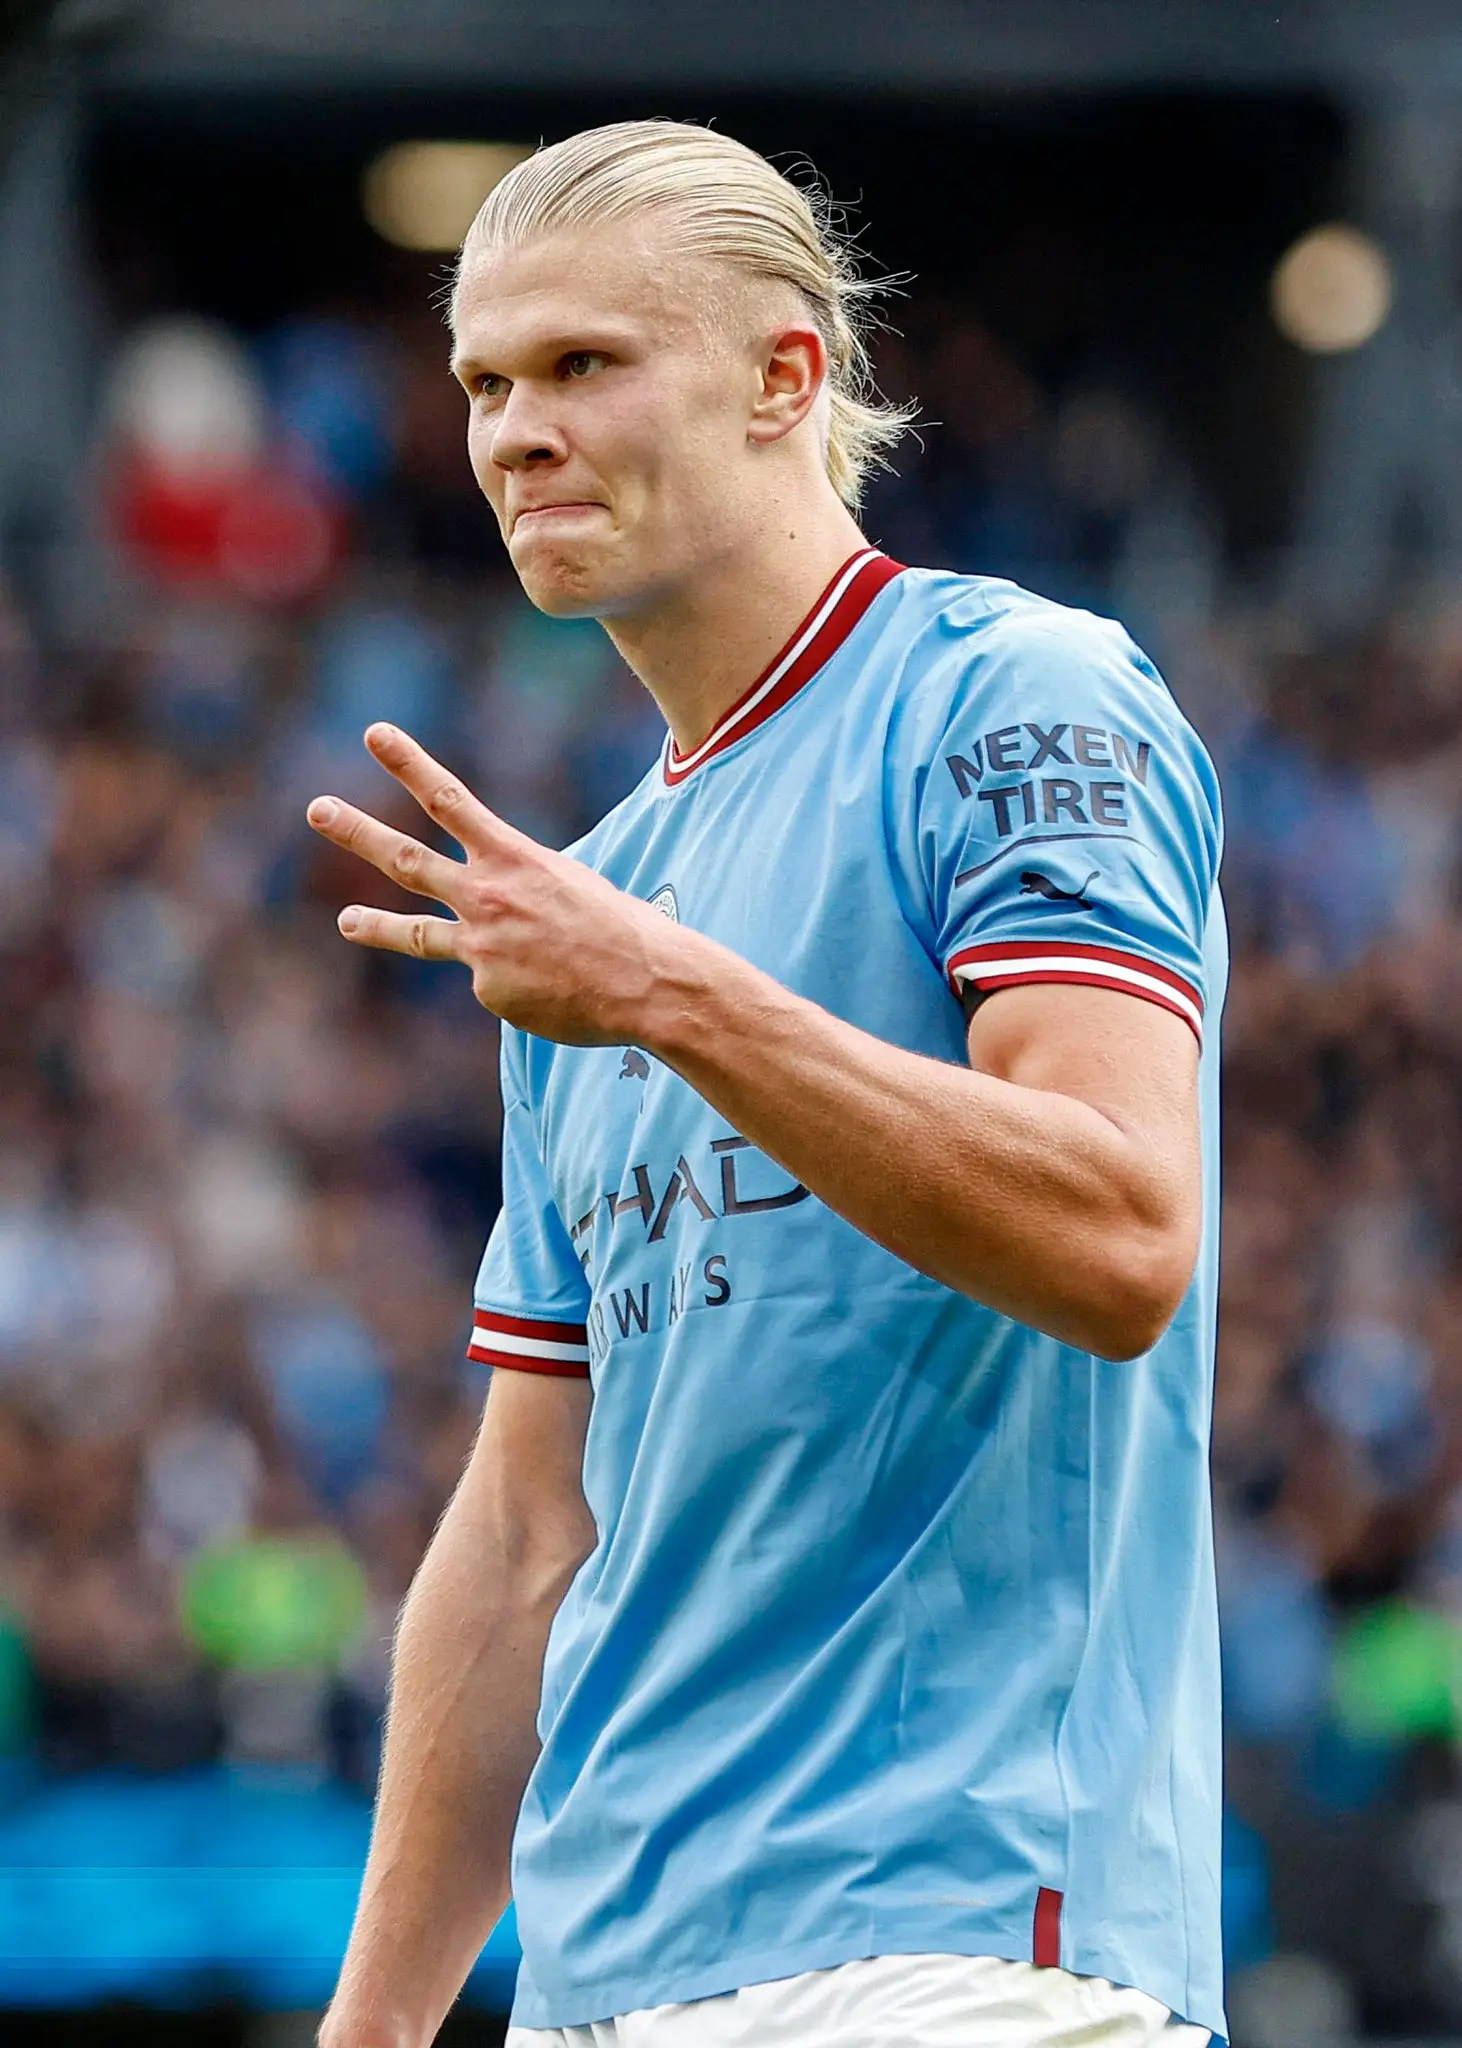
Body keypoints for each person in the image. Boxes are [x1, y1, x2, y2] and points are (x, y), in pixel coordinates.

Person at [310, 120, 1225, 2048]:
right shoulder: (590, 902)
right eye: (483, 382)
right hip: (603, 1975)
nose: (509, 435)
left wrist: (670, 995)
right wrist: (377, 2026)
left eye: (581, 366)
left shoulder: (1013, 692)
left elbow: (1127, 1228)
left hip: (959, 1939)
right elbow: (524, 1530)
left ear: (784, 378)